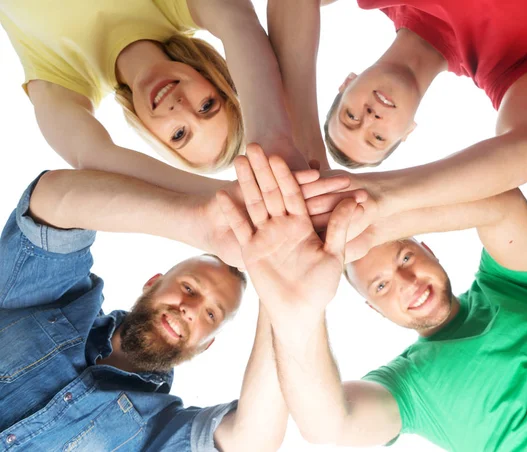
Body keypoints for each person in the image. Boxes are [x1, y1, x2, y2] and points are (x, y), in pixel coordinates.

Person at [220, 147, 527, 450]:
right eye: (381, 287)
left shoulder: (507, 283)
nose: (405, 282)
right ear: (375, 309)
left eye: (406, 257)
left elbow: (504, 204)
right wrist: (299, 314)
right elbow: (328, 424)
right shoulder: (409, 384)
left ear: (430, 250)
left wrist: (379, 215)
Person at [0, 161, 352, 450]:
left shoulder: (159, 429)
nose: (191, 309)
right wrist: (197, 223)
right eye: (189, 287)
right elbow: (49, 203)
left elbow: (251, 441)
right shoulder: (59, 303)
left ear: (206, 345)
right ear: (153, 283)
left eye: (211, 315)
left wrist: (279, 299)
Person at [267, 0, 527, 214]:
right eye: (377, 137)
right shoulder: (510, 67)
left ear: (347, 82)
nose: (369, 118)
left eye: (350, 116)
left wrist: (304, 134)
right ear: (409, 130)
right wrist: (378, 196)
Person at [0, 0, 307, 182]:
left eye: (179, 134)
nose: (181, 107)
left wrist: (224, 199)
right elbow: (239, 22)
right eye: (206, 106)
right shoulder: (175, 8)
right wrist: (271, 136)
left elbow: (93, 156)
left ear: (153, 137)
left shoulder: (65, 80)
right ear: (212, 77)